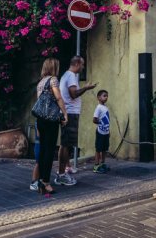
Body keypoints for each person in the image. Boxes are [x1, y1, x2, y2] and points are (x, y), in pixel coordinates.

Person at [56, 56, 96, 185]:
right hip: (70, 113)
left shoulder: (66, 75)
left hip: (68, 113)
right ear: (77, 64)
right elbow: (73, 94)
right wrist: (86, 88)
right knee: (65, 144)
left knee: (66, 143)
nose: (83, 67)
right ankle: (61, 174)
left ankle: (65, 169)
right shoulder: (71, 76)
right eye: (82, 65)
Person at [32, 57, 68, 195]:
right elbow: (58, 97)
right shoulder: (53, 79)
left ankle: (41, 180)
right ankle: (46, 182)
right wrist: (65, 113)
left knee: (42, 150)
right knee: (49, 150)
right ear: (54, 67)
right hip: (51, 119)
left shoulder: (40, 82)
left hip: (41, 119)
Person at [93, 89, 111, 173]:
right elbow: (94, 120)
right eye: (104, 96)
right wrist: (101, 123)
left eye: (107, 96)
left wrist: (108, 130)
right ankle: (96, 166)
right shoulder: (98, 108)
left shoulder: (105, 107)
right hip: (100, 132)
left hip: (106, 132)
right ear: (99, 97)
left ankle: (103, 163)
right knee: (98, 149)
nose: (106, 97)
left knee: (104, 149)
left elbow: (107, 120)